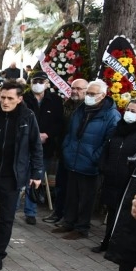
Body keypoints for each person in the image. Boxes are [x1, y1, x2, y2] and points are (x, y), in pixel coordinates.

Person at [0, 80, 43, 271]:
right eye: (2, 97)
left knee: (6, 217)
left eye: (10, 98)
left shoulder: (27, 117)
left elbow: (36, 147)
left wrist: (37, 173)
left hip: (12, 176)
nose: (5, 102)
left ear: (19, 99)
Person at [53, 79, 121, 240]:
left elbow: (109, 142)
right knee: (71, 195)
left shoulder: (111, 115)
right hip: (73, 159)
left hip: (91, 164)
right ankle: (68, 222)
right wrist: (67, 149)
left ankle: (81, 228)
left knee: (86, 199)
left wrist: (95, 158)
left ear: (103, 95)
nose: (89, 96)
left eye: (92, 94)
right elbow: (70, 133)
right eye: (88, 93)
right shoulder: (81, 109)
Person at [92, 98, 136, 253]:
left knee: (125, 213)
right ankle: (107, 241)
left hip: (129, 180)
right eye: (128, 110)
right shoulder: (119, 128)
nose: (128, 113)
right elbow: (107, 147)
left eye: (133, 111)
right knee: (112, 211)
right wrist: (104, 166)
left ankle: (118, 244)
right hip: (112, 177)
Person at [20, 72, 64, 224]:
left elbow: (59, 123)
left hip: (44, 147)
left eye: (41, 81)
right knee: (18, 177)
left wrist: (47, 134)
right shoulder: (24, 98)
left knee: (35, 179)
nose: (38, 84)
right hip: (24, 146)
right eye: (35, 81)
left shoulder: (55, 101)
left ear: (47, 84)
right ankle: (11, 208)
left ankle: (30, 212)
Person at [44, 78, 88, 224]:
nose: (74, 91)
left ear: (86, 91)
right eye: (73, 88)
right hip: (64, 150)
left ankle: (68, 216)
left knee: (72, 188)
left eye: (79, 89)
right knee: (61, 184)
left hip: (78, 153)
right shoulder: (66, 105)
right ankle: (58, 212)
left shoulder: (87, 107)